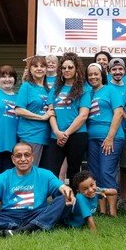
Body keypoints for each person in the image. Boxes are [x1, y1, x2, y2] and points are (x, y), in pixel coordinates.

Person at [0, 142, 76, 237]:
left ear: (32, 157)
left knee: (63, 199)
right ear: (13, 159)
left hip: (36, 214)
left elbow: (62, 187)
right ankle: (25, 228)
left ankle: (29, 227)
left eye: (27, 155)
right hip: (9, 217)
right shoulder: (4, 177)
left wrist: (69, 194)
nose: (23, 159)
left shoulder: (44, 174)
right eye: (18, 156)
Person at [42, 52, 91, 184]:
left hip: (77, 135)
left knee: (73, 172)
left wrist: (66, 134)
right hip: (56, 135)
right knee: (51, 170)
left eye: (70, 67)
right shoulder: (56, 89)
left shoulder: (84, 88)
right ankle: (58, 202)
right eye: (64, 68)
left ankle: (73, 202)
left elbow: (83, 115)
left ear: (77, 69)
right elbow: (50, 111)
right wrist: (57, 132)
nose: (66, 70)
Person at [86, 62, 124, 216]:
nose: (93, 77)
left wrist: (109, 137)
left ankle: (113, 211)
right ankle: (101, 210)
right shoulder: (88, 93)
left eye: (96, 74)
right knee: (95, 173)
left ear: (102, 75)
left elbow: (119, 113)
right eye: (90, 74)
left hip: (110, 137)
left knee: (107, 171)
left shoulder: (110, 90)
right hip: (91, 138)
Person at [15, 56, 54, 166]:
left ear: (46, 69)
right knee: (28, 170)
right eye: (35, 66)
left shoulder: (48, 90)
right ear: (30, 69)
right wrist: (41, 117)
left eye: (42, 66)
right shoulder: (26, 86)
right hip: (30, 135)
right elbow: (19, 110)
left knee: (40, 174)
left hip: (46, 137)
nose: (39, 69)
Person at [109, 57, 126, 213]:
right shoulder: (106, 88)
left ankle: (123, 200)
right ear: (109, 71)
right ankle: (107, 199)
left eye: (120, 69)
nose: (117, 72)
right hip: (111, 133)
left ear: (124, 71)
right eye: (114, 69)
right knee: (110, 167)